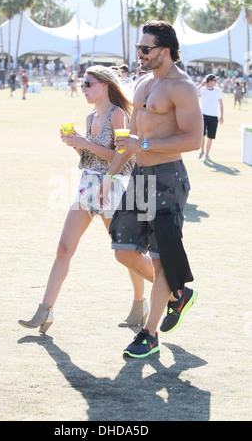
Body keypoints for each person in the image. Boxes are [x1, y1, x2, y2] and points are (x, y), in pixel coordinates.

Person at [18, 65, 151, 334]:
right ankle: (45, 310)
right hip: (87, 185)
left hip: (113, 187)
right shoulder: (91, 118)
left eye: (88, 84)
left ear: (104, 85)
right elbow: (90, 158)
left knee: (127, 253)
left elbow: (121, 157)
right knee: (63, 249)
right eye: (82, 84)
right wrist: (77, 145)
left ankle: (143, 302)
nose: (84, 89)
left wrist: (86, 143)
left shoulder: (118, 116)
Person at [100, 20, 203, 358]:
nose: (140, 54)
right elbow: (128, 141)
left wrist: (142, 143)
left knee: (160, 261)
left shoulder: (182, 87)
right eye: (139, 49)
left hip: (167, 179)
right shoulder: (143, 82)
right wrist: (111, 176)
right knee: (123, 251)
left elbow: (193, 138)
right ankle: (177, 294)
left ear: (166, 50)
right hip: (139, 178)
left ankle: (150, 333)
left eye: (146, 49)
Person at [197, 74, 224, 161]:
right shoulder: (203, 89)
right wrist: (202, 84)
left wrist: (222, 116)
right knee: (202, 135)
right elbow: (194, 91)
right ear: (209, 81)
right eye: (214, 80)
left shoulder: (218, 90)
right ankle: (202, 151)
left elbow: (221, 104)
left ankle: (207, 154)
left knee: (210, 136)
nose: (216, 82)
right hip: (203, 115)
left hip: (213, 116)